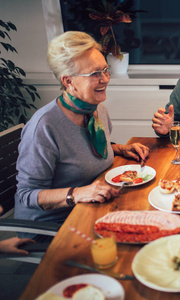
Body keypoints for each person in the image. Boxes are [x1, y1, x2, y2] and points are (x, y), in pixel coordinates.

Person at [14, 31, 149, 241]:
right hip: (53, 224)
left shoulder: (97, 109)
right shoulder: (43, 127)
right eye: (95, 74)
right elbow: (27, 195)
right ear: (68, 81)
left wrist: (119, 148)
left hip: (90, 208)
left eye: (106, 70)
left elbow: (79, 150)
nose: (105, 79)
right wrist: (77, 193)